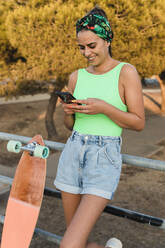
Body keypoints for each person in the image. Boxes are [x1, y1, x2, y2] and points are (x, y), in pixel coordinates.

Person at [54, 6, 145, 248]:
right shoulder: (76, 77)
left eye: (91, 46)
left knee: (69, 245)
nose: (86, 53)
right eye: (81, 48)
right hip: (73, 153)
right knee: (81, 243)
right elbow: (69, 126)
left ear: (107, 40)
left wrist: (104, 108)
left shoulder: (126, 72)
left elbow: (139, 122)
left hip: (103, 158)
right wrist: (69, 113)